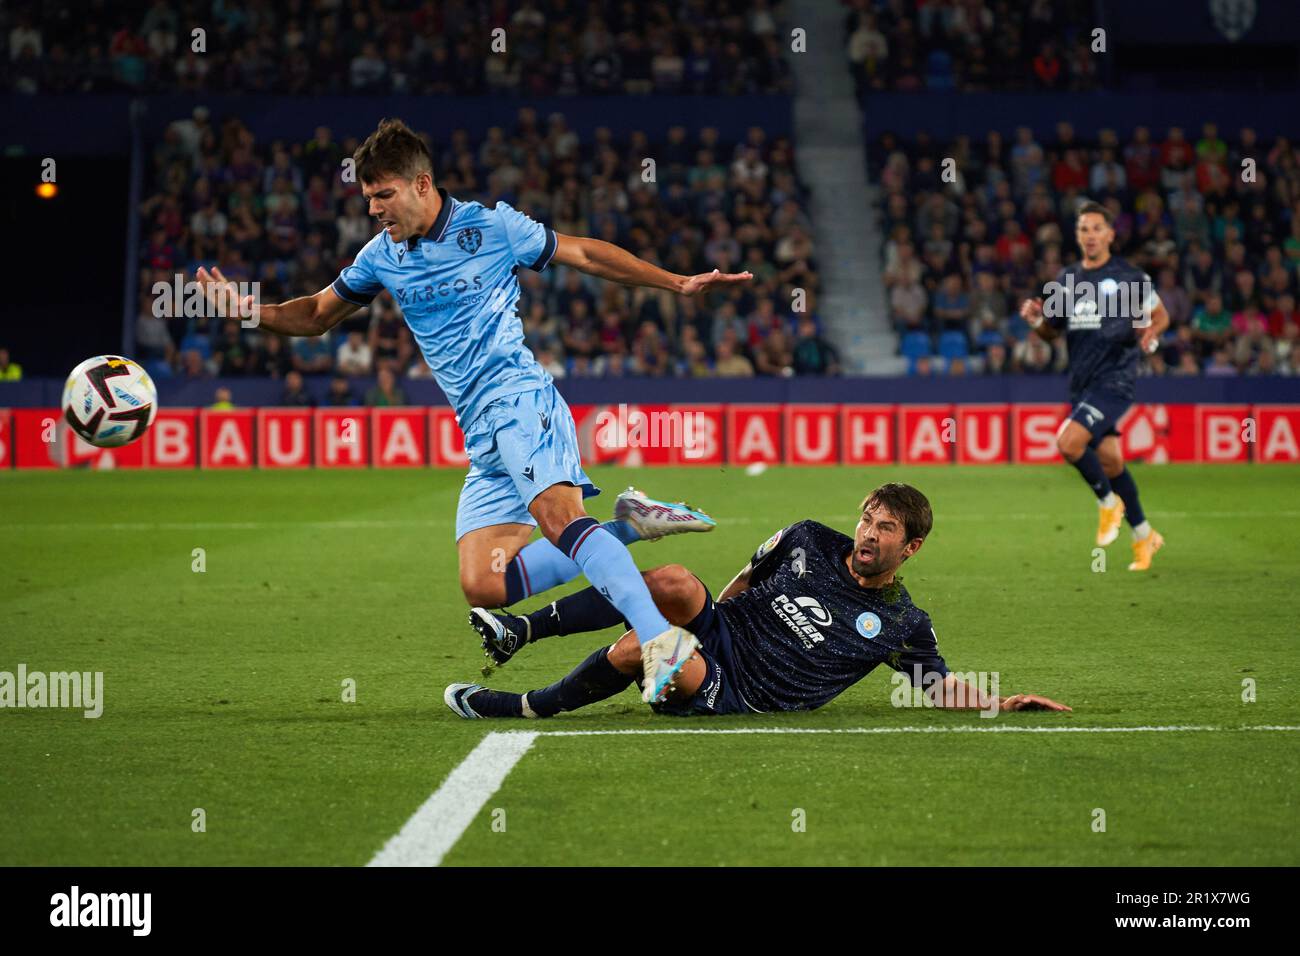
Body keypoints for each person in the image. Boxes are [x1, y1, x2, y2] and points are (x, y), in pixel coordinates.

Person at [195, 118, 750, 701]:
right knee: (485, 583)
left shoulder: (491, 227)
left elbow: (584, 253)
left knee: (562, 524)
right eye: (368, 198)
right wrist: (247, 310)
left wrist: (677, 283)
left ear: (422, 184)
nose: (375, 209)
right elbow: (314, 315)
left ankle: (659, 639)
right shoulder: (380, 257)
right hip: (478, 431)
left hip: (519, 399)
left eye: (384, 195)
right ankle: (630, 526)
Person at [449, 483, 1070, 719]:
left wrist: (1001, 701)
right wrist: (706, 618)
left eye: (885, 530)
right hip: (725, 631)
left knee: (651, 646)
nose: (868, 535)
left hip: (740, 687)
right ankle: (519, 631)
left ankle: (530, 706)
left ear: (910, 549)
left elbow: (936, 688)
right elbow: (742, 582)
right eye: (868, 520)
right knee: (673, 581)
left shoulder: (903, 622)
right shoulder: (806, 538)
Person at [1019, 201, 1171, 571]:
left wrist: (1152, 331)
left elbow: (1161, 315)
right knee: (1111, 460)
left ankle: (1108, 503)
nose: (1090, 235)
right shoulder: (1065, 280)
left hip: (1115, 379)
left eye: (1096, 228)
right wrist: (1036, 322)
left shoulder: (1130, 277)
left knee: (1068, 442)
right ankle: (1144, 535)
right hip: (1082, 384)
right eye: (1083, 228)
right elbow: (1051, 333)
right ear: (1077, 235)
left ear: (1110, 234)